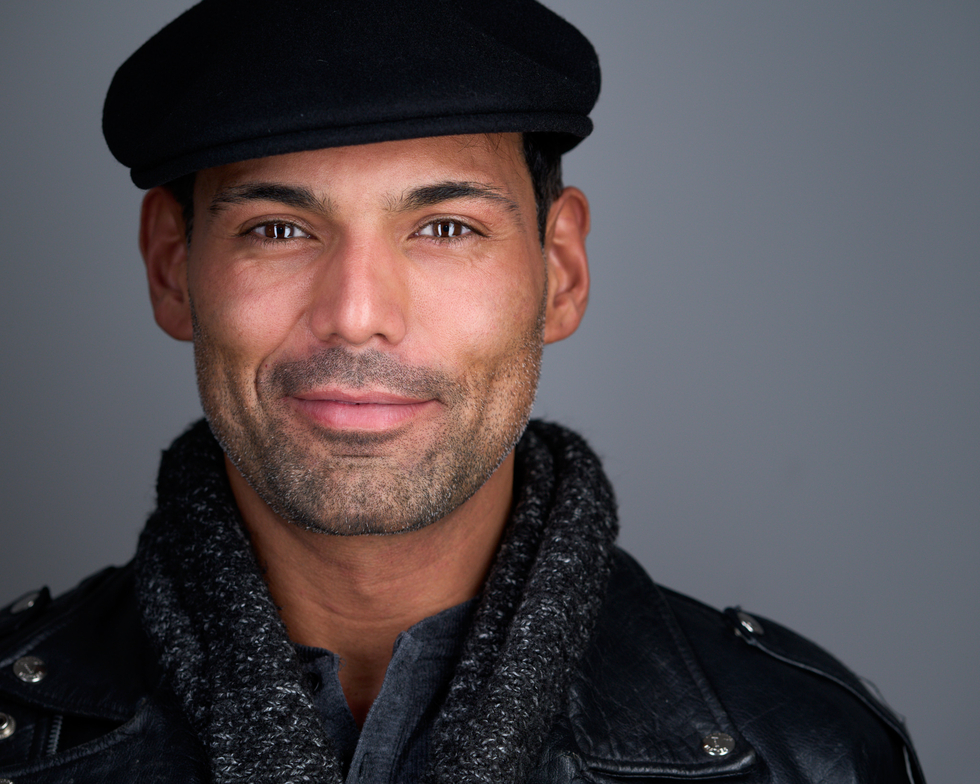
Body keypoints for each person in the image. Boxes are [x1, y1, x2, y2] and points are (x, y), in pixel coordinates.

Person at [0, 1, 925, 782]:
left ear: (560, 272)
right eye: (279, 229)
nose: (357, 315)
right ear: (172, 269)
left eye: (445, 227)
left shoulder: (811, 755)